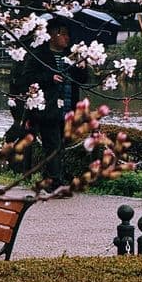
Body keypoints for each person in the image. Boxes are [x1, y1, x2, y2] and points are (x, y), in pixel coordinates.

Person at [20, 18, 88, 190]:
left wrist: (82, 67)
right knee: (52, 143)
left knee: (60, 144)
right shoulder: (39, 55)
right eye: (62, 34)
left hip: (67, 107)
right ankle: (54, 180)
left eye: (67, 35)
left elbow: (82, 81)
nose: (66, 38)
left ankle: (52, 176)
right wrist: (49, 78)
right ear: (50, 35)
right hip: (47, 108)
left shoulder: (71, 57)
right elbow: (26, 78)